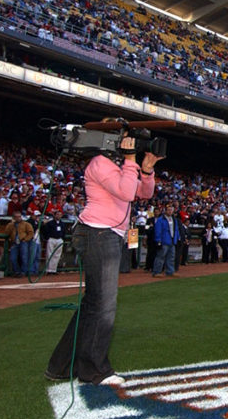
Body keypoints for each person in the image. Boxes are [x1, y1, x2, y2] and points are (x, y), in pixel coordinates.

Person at [45, 133, 160, 385]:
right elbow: (127, 191)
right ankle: (94, 370)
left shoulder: (112, 166)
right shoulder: (99, 162)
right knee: (104, 305)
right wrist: (131, 160)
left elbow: (143, 193)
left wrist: (147, 171)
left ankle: (61, 365)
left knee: (92, 305)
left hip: (105, 233)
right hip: (98, 232)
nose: (124, 142)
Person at [3, 210, 34, 277]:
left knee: (24, 257)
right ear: (14, 218)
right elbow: (6, 233)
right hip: (14, 242)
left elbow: (31, 233)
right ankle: (16, 271)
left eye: (19, 217)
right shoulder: (10, 225)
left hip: (23, 241)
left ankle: (23, 272)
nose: (18, 218)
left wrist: (25, 239)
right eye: (16, 217)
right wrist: (11, 225)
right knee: (13, 258)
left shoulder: (26, 224)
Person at [152, 203, 179, 277]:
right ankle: (157, 272)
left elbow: (176, 230)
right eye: (169, 210)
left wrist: (177, 238)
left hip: (172, 240)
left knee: (171, 257)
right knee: (160, 257)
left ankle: (170, 271)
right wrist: (158, 240)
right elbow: (158, 230)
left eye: (171, 210)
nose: (170, 211)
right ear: (165, 211)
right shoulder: (161, 219)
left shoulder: (174, 219)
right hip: (164, 241)